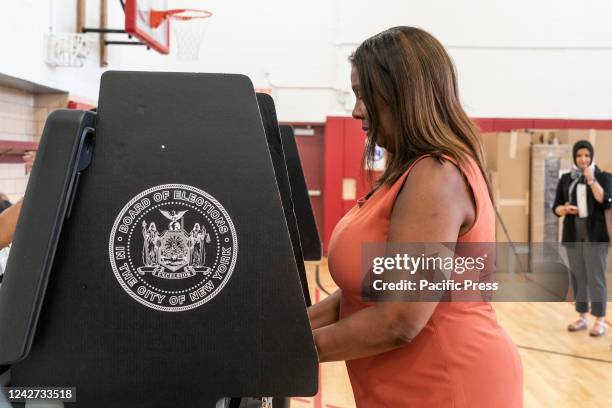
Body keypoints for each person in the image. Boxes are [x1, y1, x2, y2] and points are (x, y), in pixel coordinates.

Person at [307, 27, 522, 407]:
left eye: (364, 95)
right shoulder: (407, 173)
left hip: (447, 383)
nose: (356, 109)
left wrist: (285, 352)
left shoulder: (437, 175)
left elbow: (399, 319)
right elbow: (364, 293)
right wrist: (285, 330)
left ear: (402, 95)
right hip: (408, 382)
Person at [553, 140, 611, 337]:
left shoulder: (604, 177)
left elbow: (605, 200)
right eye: (579, 155)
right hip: (573, 232)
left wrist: (592, 179)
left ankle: (600, 320)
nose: (583, 159)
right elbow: (556, 208)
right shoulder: (567, 178)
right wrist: (565, 209)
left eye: (587, 155)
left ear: (592, 156)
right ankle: (582, 317)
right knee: (578, 277)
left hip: (595, 234)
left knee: (596, 277)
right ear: (574, 157)